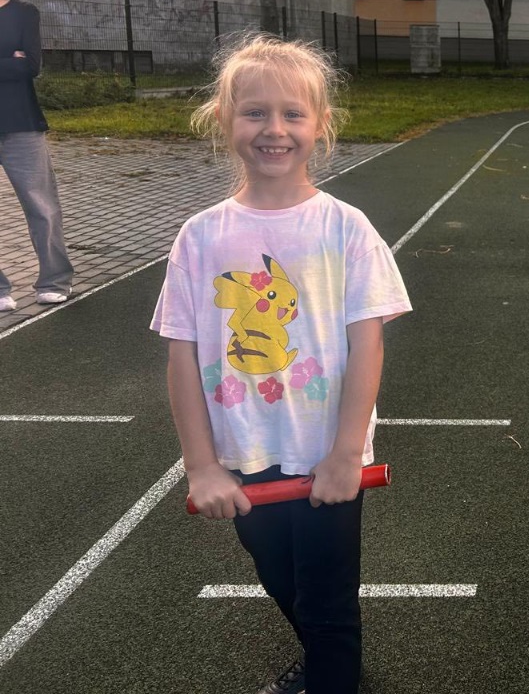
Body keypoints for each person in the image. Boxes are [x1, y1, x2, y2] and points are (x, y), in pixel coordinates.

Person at [151, 36, 412, 694]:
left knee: (326, 601)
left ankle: (331, 672)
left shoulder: (346, 228)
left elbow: (368, 346)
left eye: (293, 113)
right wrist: (201, 465)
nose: (275, 129)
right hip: (244, 456)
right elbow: (182, 353)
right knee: (279, 577)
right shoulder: (200, 236)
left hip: (324, 455)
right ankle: (329, 662)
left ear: (320, 124)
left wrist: (346, 454)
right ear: (223, 120)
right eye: (255, 112)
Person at [0, 0, 74, 312]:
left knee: (42, 207)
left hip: (21, 125)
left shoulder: (24, 13)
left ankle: (54, 280)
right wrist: (7, 61)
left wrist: (18, 62)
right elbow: (15, 65)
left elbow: (30, 66)